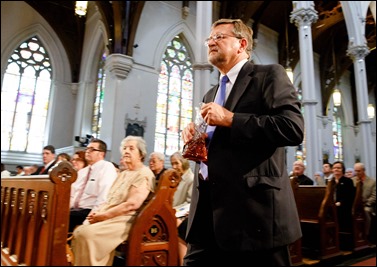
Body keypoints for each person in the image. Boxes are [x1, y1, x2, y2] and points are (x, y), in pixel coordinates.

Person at [181, 18, 305, 266]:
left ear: (242, 44)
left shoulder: (268, 75)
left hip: (252, 213)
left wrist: (231, 119)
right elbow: (221, 144)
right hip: (208, 208)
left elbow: (292, 129)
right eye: (210, 39)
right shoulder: (211, 93)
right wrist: (198, 138)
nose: (211, 42)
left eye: (219, 37)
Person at [71, 136, 155, 266]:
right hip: (111, 214)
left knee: (87, 234)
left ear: (141, 154)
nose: (126, 151)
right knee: (78, 232)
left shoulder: (144, 173)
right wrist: (98, 214)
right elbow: (109, 198)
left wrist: (104, 216)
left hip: (126, 219)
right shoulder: (124, 173)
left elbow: (132, 204)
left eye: (131, 148)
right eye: (125, 148)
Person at [69, 138, 118, 233]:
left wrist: (90, 219)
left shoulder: (106, 167)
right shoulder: (82, 172)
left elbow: (103, 197)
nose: (88, 152)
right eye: (87, 149)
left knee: (64, 218)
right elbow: (73, 194)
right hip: (75, 210)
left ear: (101, 154)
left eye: (92, 149)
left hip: (89, 211)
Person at [170, 151, 194, 266]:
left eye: (176, 163)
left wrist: (172, 210)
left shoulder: (190, 178)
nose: (174, 167)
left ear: (184, 162)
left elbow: (189, 203)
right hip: (173, 212)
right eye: (172, 164)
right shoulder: (177, 177)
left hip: (182, 215)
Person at [352, 162, 376, 244]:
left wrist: (367, 203)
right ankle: (355, 236)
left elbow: (374, 196)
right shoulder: (352, 181)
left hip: (367, 205)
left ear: (363, 170)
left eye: (359, 171)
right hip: (355, 205)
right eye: (355, 171)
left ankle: (366, 235)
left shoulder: (372, 182)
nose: (357, 173)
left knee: (366, 212)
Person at [332, 161, 356, 237]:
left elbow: (349, 196)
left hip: (344, 206)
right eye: (334, 168)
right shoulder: (330, 182)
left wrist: (340, 203)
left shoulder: (348, 181)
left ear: (343, 170)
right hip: (332, 205)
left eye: (338, 168)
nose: (336, 169)